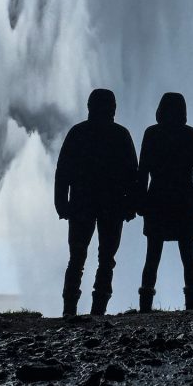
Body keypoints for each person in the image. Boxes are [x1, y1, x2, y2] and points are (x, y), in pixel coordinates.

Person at [54, 88, 138, 317]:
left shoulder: (77, 133)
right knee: (106, 259)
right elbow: (133, 173)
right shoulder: (121, 135)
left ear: (89, 106)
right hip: (112, 205)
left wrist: (61, 203)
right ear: (113, 108)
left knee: (77, 258)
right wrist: (131, 204)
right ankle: (98, 311)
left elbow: (63, 172)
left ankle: (69, 310)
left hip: (82, 203)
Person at [136, 92, 193, 312]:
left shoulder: (152, 134)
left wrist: (140, 201)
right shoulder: (192, 135)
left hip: (157, 198)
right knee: (188, 255)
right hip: (185, 199)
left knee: (152, 254)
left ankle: (145, 305)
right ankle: (192, 305)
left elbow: (143, 171)